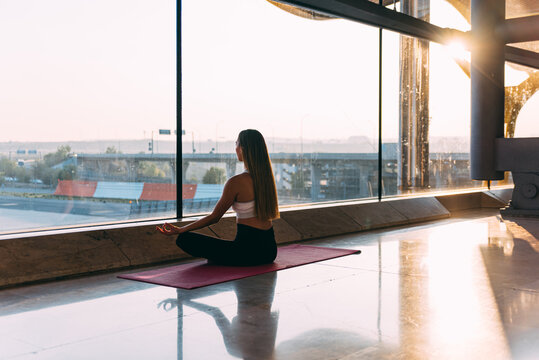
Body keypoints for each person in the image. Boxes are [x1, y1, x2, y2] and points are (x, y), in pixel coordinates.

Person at [157, 129, 279, 266]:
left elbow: (215, 217)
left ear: (243, 149)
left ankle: (223, 258)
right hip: (269, 252)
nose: (236, 148)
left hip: (246, 253)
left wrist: (181, 229)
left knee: (184, 239)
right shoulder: (267, 179)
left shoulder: (236, 182)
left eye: (237, 144)